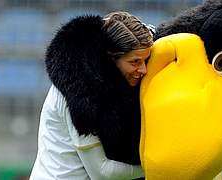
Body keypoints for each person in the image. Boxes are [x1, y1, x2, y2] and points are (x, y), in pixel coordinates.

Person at [29, 11, 154, 179]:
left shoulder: (106, 84)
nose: (143, 70)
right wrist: (159, 166)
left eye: (145, 61)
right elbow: (102, 172)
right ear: (110, 59)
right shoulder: (78, 94)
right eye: (135, 62)